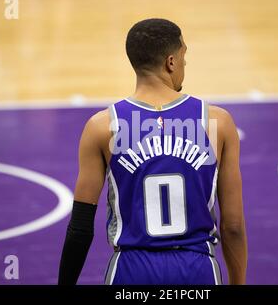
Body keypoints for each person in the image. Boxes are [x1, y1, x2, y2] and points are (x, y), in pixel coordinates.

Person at [58, 18, 247, 285]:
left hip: (131, 270)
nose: (184, 65)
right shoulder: (217, 122)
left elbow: (80, 227)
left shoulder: (103, 126)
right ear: (171, 62)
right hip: (197, 269)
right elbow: (233, 227)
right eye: (184, 57)